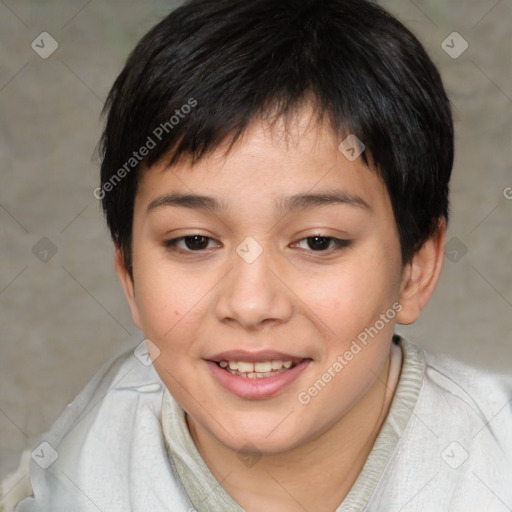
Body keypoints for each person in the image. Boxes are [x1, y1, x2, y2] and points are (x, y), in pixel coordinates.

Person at [6, 0, 511, 510]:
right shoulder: (77, 474)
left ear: (415, 270)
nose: (250, 304)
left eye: (317, 241)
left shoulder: (493, 463)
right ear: (129, 275)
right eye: (194, 241)